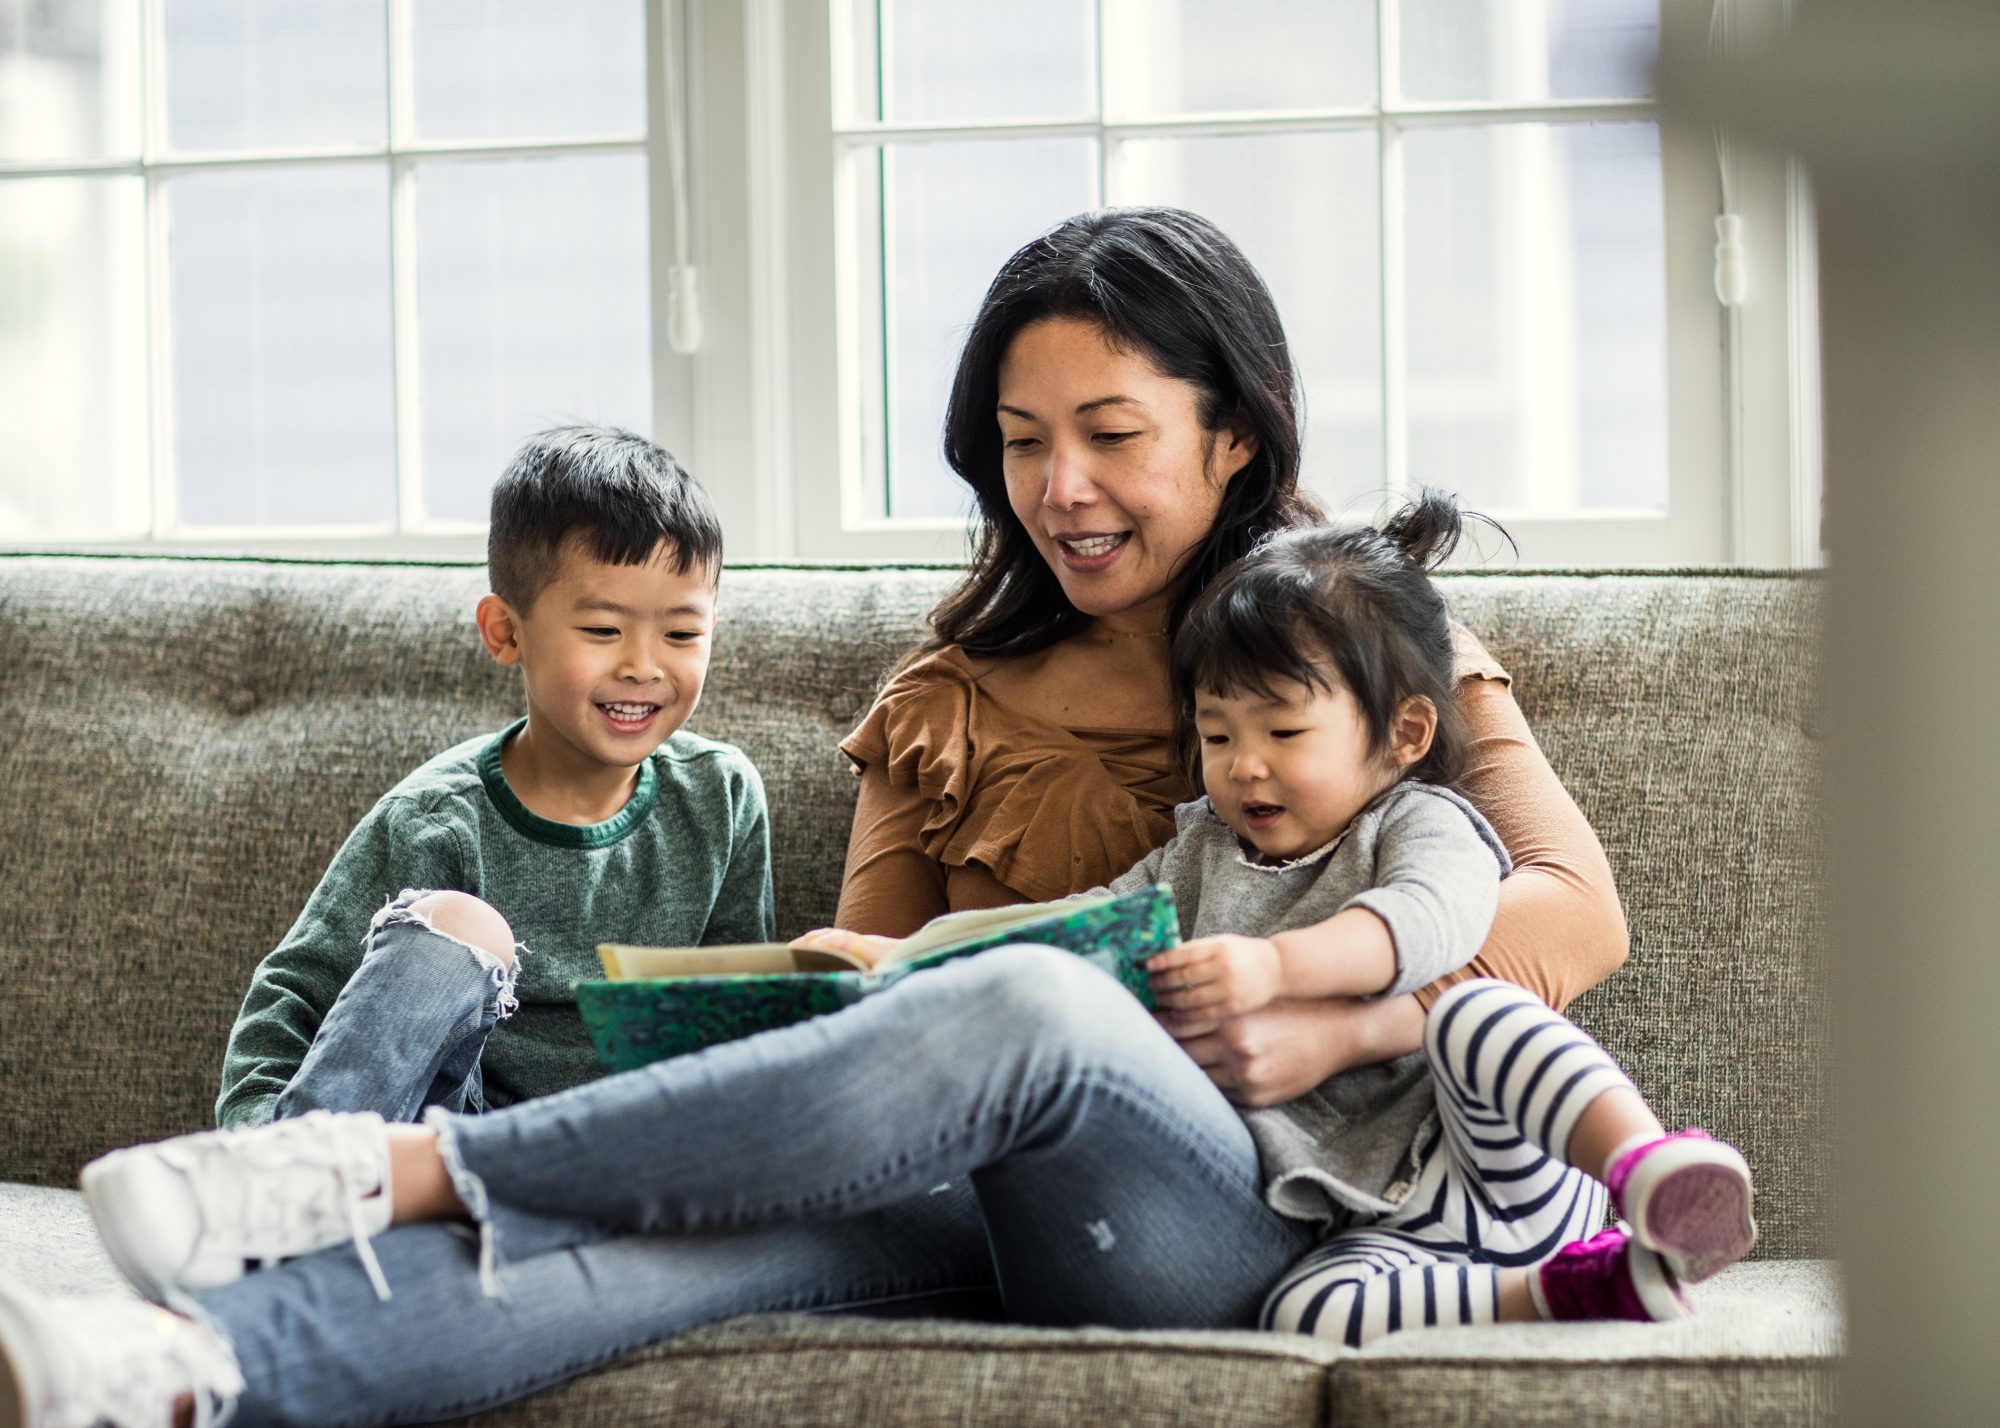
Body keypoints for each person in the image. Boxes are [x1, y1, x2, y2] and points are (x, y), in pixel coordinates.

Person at [0, 209, 1624, 1428]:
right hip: (945, 1175)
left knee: (1034, 996)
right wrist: (856, 972)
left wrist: (1341, 1019)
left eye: (1112, 436)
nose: (1061, 486)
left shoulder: (1366, 650)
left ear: (1234, 432)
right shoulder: (947, 686)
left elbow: (1571, 909)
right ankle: (180, 1368)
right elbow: (857, 989)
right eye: (1021, 444)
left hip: (1245, 1209)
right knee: (662, 1250)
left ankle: (404, 1167)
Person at [82, 425, 774, 1302]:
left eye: (682, 632)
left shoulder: (722, 799)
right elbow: (293, 997)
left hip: (613, 1170)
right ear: (505, 632)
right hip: (435, 1143)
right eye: (602, 628)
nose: (643, 666)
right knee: (461, 923)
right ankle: (271, 1203)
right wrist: (255, 1141)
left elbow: (737, 1031)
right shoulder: (437, 819)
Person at [1071, 497, 1757, 1343]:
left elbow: (1425, 921)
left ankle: (1647, 1169)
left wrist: (1278, 969)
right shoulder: (1198, 852)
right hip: (1385, 1224)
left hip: (1498, 1158)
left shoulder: (1419, 822)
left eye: (1284, 729)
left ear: (1404, 732)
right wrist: (917, 951)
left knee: (1476, 1014)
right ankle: (1569, 1291)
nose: (1244, 765)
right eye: (1216, 735)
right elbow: (1094, 921)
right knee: (1299, 1311)